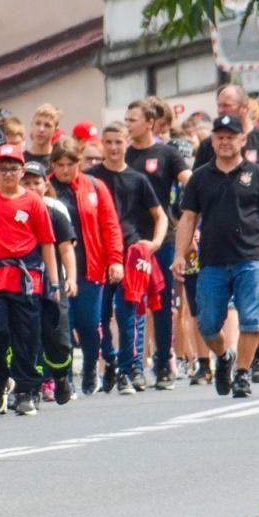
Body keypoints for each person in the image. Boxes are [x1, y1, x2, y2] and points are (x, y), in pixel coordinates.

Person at [173, 113, 259, 399]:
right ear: (212, 141)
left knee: (252, 319)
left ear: (242, 140)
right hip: (212, 261)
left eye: (230, 137)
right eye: (219, 137)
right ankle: (224, 357)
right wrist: (179, 254)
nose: (225, 142)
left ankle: (242, 374)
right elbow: (188, 218)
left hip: (250, 258)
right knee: (208, 324)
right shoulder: (200, 178)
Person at [0, 144, 59, 416]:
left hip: (26, 277)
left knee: (27, 335)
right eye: (2, 169)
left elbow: (47, 243)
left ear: (22, 171)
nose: (8, 174)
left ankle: (25, 390)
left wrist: (53, 283)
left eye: (13, 169)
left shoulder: (33, 202)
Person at [88, 122, 166, 394]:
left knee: (127, 313)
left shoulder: (138, 179)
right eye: (108, 142)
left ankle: (130, 368)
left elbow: (160, 215)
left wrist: (154, 244)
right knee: (98, 316)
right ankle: (109, 360)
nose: (113, 148)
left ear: (126, 143)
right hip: (99, 255)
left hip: (131, 254)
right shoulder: (91, 179)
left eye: (118, 142)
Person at [49, 138, 124, 396]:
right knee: (64, 327)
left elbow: (110, 226)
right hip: (58, 268)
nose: (65, 170)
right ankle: (65, 378)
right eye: (60, 164)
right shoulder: (46, 188)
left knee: (90, 325)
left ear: (78, 163)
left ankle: (92, 367)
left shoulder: (94, 186)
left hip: (90, 266)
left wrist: (115, 259)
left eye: (70, 164)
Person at [124, 99, 191, 389]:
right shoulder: (124, 154)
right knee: (131, 303)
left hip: (162, 239)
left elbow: (191, 181)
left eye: (132, 120)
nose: (128, 125)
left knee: (162, 303)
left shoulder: (167, 153)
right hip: (131, 241)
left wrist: (191, 215)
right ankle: (133, 367)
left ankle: (164, 364)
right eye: (125, 120)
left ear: (150, 123)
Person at [24, 160, 77, 403]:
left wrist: (71, 278)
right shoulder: (16, 211)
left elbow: (66, 249)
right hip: (24, 283)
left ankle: (60, 377)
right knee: (28, 334)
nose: (32, 187)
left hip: (53, 282)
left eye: (37, 182)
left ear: (46, 185)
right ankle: (31, 388)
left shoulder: (55, 212)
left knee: (57, 337)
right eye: (27, 182)